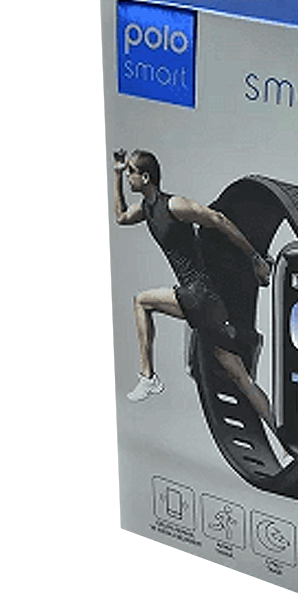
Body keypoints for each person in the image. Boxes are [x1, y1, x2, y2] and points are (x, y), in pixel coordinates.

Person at [112, 149, 276, 428]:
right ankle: (284, 438)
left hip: (198, 294)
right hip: (205, 301)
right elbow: (121, 217)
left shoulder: (174, 205)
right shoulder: (146, 210)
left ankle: (148, 378)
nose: (128, 177)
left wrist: (254, 258)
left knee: (141, 301)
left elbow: (218, 220)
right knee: (240, 378)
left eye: (130, 172)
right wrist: (117, 175)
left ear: (145, 177)